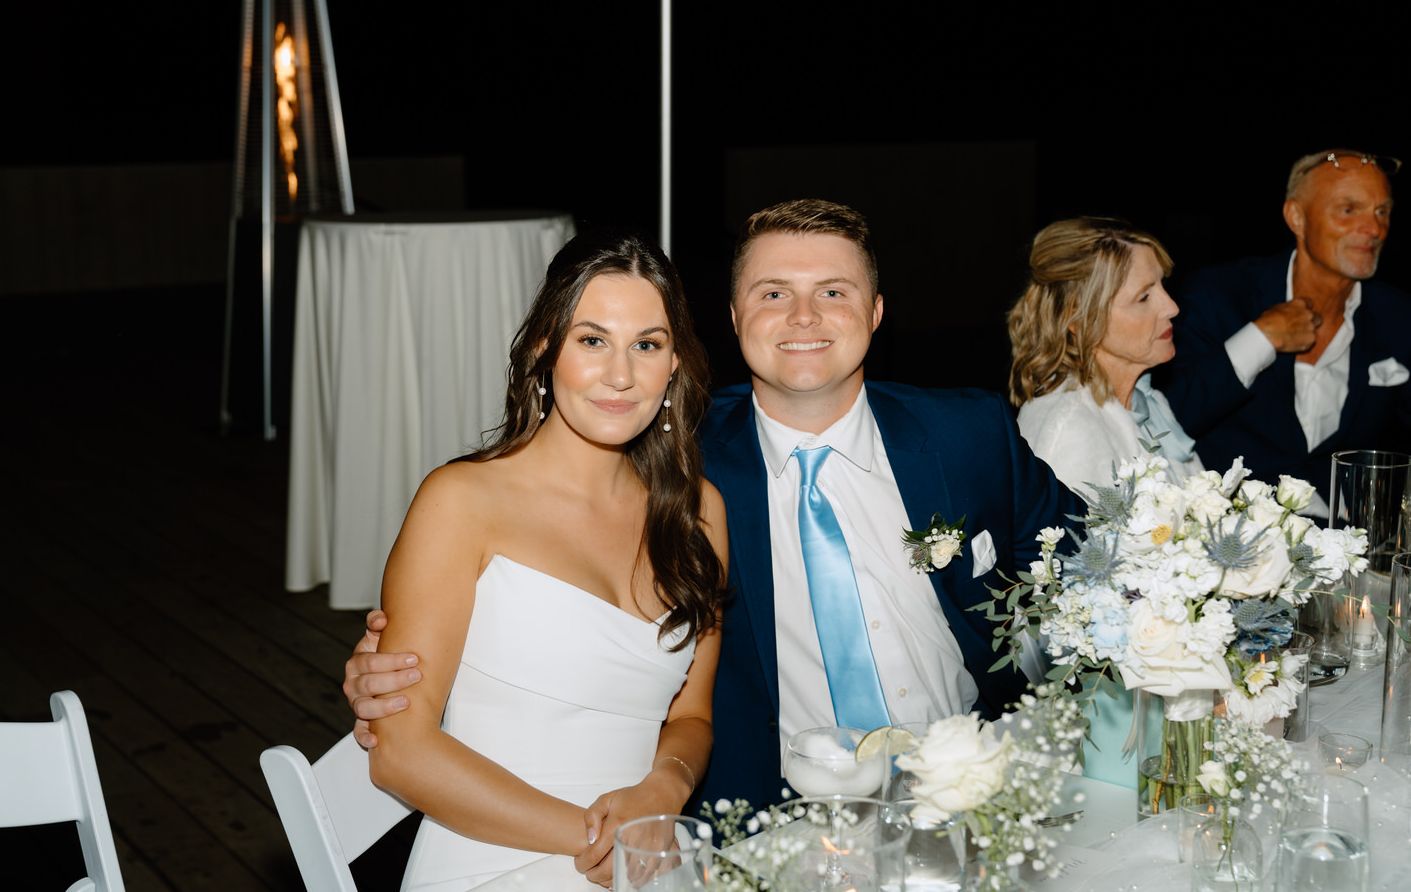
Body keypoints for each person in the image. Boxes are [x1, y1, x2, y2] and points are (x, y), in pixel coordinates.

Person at [348, 200, 1079, 816]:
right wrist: (406, 660)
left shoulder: (970, 435)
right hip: (777, 819)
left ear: (878, 311)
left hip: (981, 790)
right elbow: (544, 558)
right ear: (733, 317)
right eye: (772, 293)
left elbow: (1099, 563)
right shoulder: (672, 469)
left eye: (833, 291)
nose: (802, 316)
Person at [359, 229, 727, 892]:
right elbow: (401, 754)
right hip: (491, 850)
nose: (621, 374)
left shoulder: (699, 513)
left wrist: (664, 787)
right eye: (592, 341)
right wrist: (600, 841)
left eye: (647, 344)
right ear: (544, 348)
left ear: (673, 364)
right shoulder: (462, 501)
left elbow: (691, 717)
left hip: (646, 845)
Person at [1155, 149, 1411, 515]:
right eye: (1348, 209)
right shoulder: (1220, 295)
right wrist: (1260, 339)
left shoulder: (1397, 315)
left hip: (1345, 543)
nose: (1373, 229)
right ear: (1296, 217)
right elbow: (1165, 422)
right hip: (1225, 539)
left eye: (1382, 211)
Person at [1008, 217, 1204, 497]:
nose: (1171, 307)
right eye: (1144, 297)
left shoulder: (1146, 401)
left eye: (1162, 285)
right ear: (1079, 318)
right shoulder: (1067, 428)